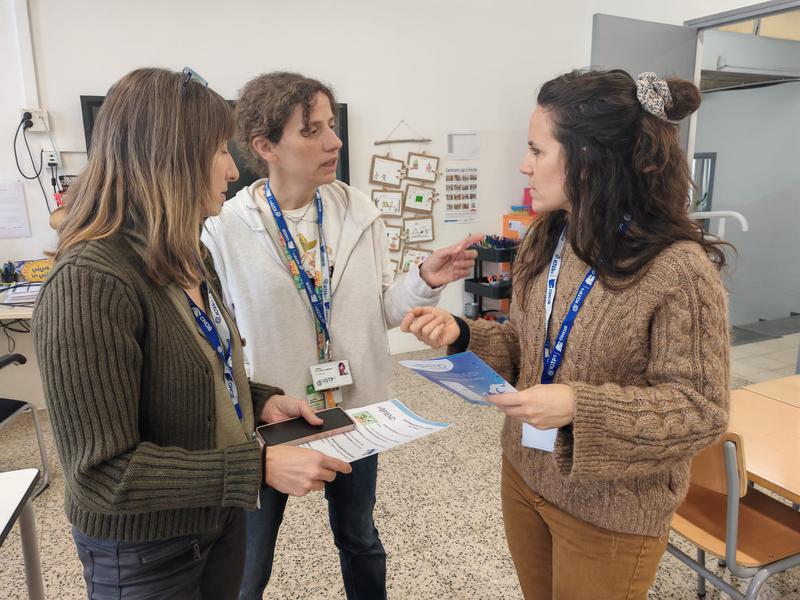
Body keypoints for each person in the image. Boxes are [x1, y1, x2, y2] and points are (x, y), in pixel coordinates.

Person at [401, 69, 731, 599]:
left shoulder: (679, 270)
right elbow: (525, 349)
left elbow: (701, 411)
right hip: (525, 476)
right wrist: (463, 333)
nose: (524, 166)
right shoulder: (549, 236)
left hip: (610, 510)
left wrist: (579, 406)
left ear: (590, 159)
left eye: (537, 150)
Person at [31, 67, 351, 600]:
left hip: (213, 522)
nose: (232, 169)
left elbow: (197, 371)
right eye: (219, 152)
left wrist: (260, 402)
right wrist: (260, 464)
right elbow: (102, 474)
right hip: (145, 553)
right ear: (168, 160)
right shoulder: (89, 282)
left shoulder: (188, 254)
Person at [201, 71, 480, 600]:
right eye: (312, 130)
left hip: (356, 406)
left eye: (331, 125)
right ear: (266, 147)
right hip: (273, 415)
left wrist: (422, 282)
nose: (334, 141)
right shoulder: (224, 228)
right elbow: (220, 336)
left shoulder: (358, 211)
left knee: (359, 537)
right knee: (249, 557)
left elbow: (378, 311)